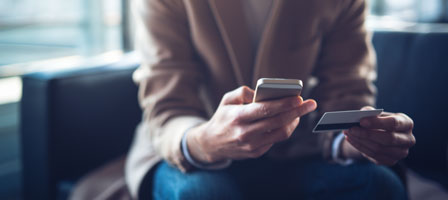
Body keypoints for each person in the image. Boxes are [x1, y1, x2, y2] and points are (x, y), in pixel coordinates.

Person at [126, 0, 416, 199]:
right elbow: (168, 103)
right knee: (201, 195)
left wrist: (360, 138)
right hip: (191, 148)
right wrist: (206, 141)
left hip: (300, 149)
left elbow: (346, 91)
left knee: (379, 187)